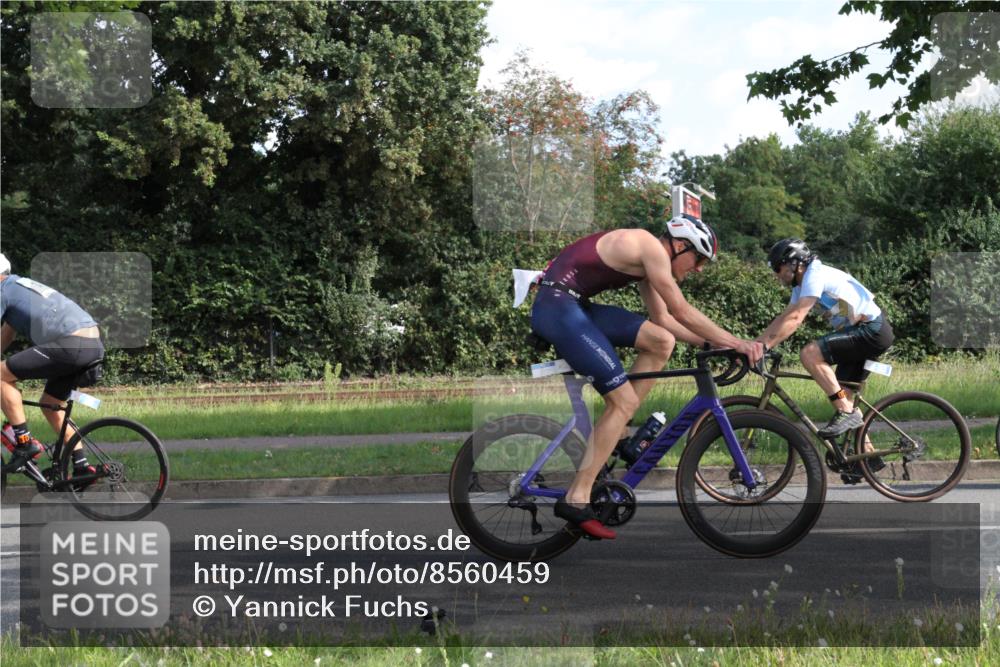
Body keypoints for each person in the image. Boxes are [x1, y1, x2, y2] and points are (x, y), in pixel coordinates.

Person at [530, 217, 764, 539]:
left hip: (573, 305)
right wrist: (736, 343)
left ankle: (619, 431)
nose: (699, 269)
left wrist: (713, 345)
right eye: (698, 259)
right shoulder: (649, 246)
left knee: (660, 341)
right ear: (680, 245)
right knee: (622, 401)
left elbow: (663, 320)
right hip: (558, 308)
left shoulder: (649, 261)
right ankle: (577, 497)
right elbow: (681, 310)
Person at [755, 239, 894, 475]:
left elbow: (796, 318)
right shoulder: (801, 285)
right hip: (866, 331)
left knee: (810, 354)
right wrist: (756, 345)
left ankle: (847, 413)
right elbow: (784, 317)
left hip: (872, 330)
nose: (776, 274)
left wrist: (765, 346)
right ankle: (867, 458)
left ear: (794, 263)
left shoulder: (814, 275)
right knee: (842, 394)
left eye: (778, 268)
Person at [0, 252, 104, 477]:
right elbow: (5, 336)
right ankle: (82, 467)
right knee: (51, 404)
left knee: (0, 375)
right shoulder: (19, 287)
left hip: (71, 343)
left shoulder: (3, 291)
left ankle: (25, 443)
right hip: (91, 343)